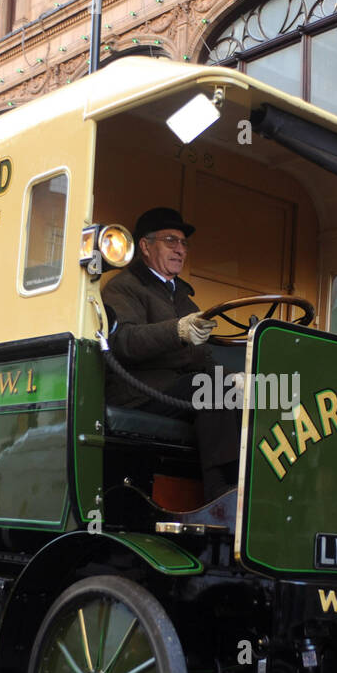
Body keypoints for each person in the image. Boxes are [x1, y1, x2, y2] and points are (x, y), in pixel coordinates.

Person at [102, 207, 238, 502]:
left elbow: (203, 360)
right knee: (214, 388)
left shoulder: (184, 299)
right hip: (141, 394)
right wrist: (177, 331)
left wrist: (237, 379)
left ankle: (256, 484)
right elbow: (124, 341)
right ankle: (220, 490)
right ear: (145, 246)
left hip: (178, 391)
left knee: (268, 390)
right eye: (170, 240)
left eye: (183, 243)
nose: (180, 249)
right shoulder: (123, 288)